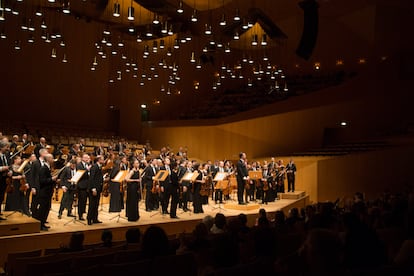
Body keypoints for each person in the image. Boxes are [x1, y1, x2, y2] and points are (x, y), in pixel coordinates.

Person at [38, 154, 57, 230]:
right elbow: (42, 181)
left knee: (46, 208)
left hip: (48, 192)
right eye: (52, 158)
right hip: (44, 192)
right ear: (48, 159)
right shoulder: (43, 168)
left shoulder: (48, 168)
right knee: (43, 209)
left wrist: (54, 180)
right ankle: (40, 225)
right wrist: (52, 179)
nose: (53, 159)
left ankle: (43, 223)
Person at [87, 155, 105, 225]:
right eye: (102, 159)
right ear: (99, 160)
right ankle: (89, 219)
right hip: (94, 189)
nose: (103, 160)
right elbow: (91, 178)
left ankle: (94, 218)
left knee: (96, 204)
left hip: (98, 188)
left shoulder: (99, 167)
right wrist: (93, 188)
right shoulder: (94, 167)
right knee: (92, 204)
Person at [76, 153, 90, 221]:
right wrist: (88, 170)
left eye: (88, 158)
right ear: (82, 158)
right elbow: (81, 173)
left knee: (84, 201)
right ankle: (80, 214)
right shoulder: (79, 165)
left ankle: (83, 212)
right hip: (81, 185)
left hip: (87, 185)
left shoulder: (86, 165)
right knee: (81, 201)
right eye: (86, 157)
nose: (87, 159)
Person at [0, 140, 11, 219]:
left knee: (1, 197)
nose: (8, 149)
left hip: (3, 180)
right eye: (6, 147)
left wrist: (9, 171)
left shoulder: (5, 156)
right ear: (1, 147)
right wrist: (2, 168)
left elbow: (7, 166)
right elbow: (3, 167)